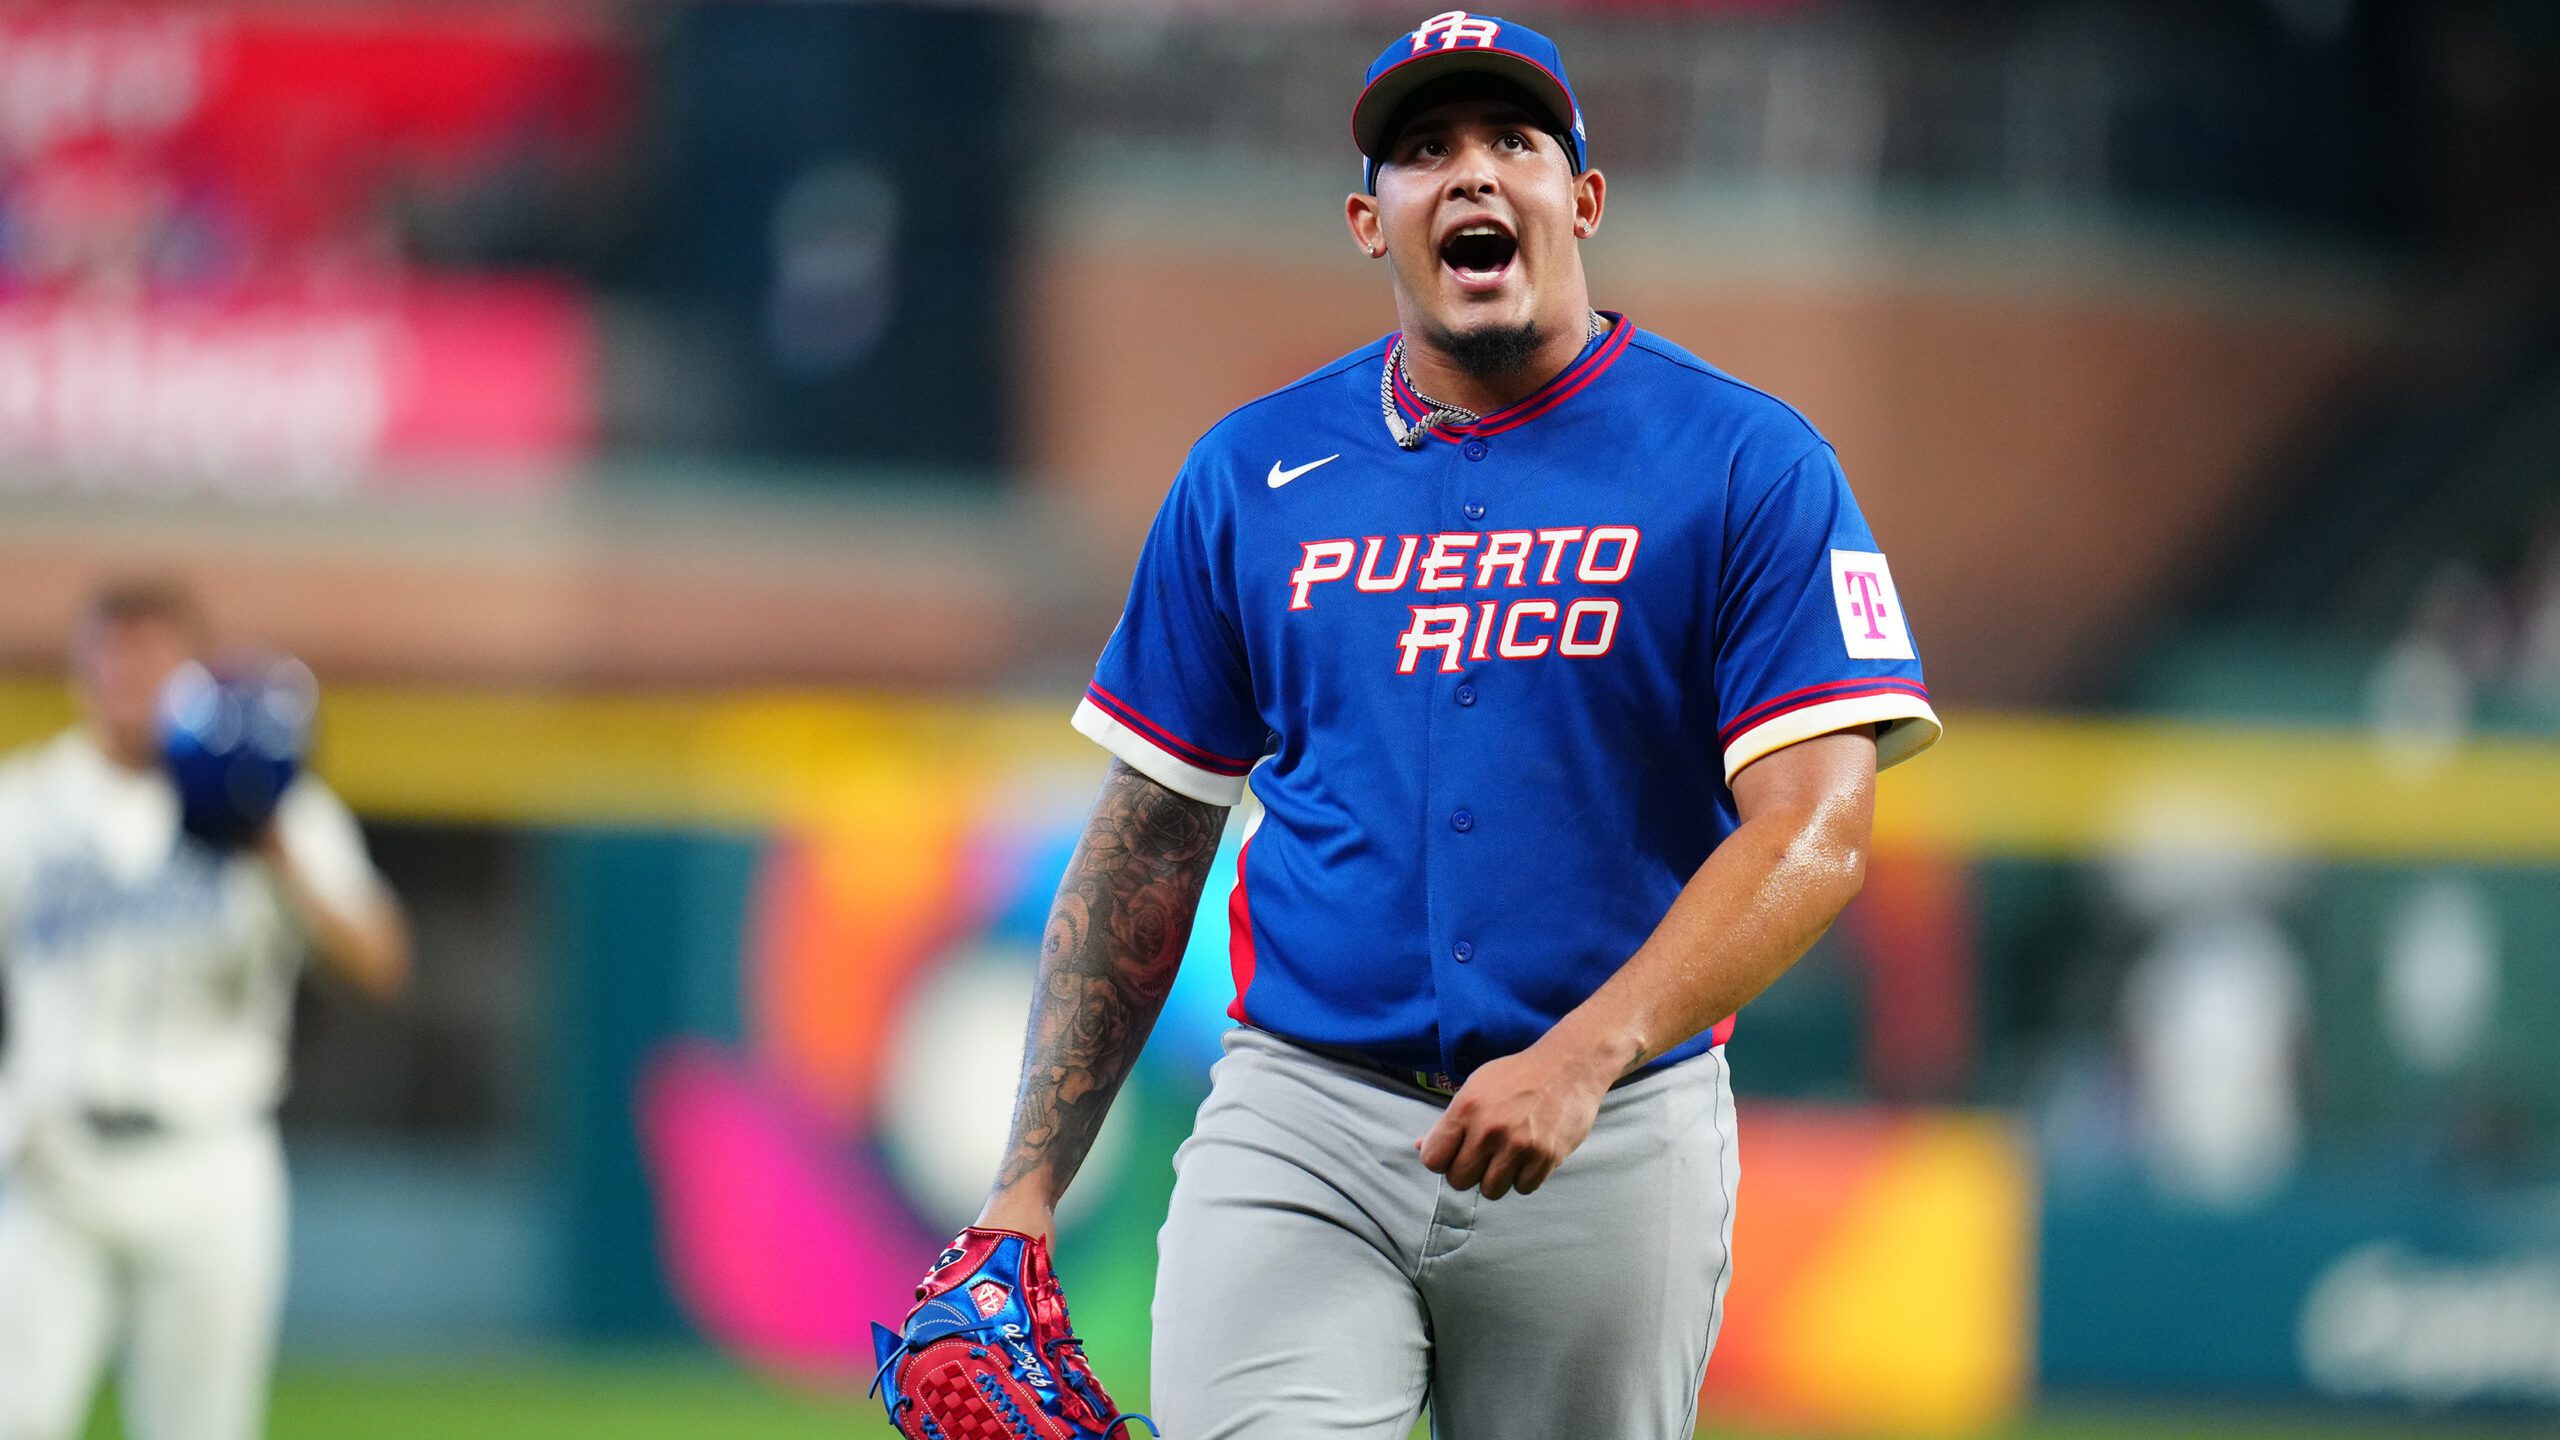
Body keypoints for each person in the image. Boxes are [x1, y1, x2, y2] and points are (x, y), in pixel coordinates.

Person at [972, 12, 1940, 1437]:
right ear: (1373, 222)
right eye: (1424, 152)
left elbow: (1817, 830)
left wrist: (1587, 1053)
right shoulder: (1253, 474)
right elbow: (1148, 836)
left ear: (1583, 201)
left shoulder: (1745, 462)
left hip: (1612, 1131)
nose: (1471, 175)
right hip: (1305, 1116)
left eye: (1512, 142)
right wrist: (1026, 1187)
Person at [0, 578, 409, 1440]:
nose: (130, 677)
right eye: (112, 656)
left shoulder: (275, 806)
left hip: (209, 1160)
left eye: (154, 658)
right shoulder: (26, 804)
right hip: (54, 1158)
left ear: (197, 678)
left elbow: (380, 962)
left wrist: (275, 850)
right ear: (80, 671)